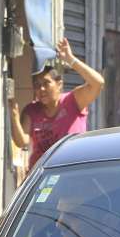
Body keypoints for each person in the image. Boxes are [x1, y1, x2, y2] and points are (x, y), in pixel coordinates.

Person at [10, 37, 105, 171]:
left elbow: (98, 83)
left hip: (72, 172)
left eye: (46, 83)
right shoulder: (32, 110)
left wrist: (70, 59)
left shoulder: (73, 101)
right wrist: (14, 115)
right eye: (37, 85)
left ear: (59, 84)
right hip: (43, 176)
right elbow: (22, 141)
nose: (41, 89)